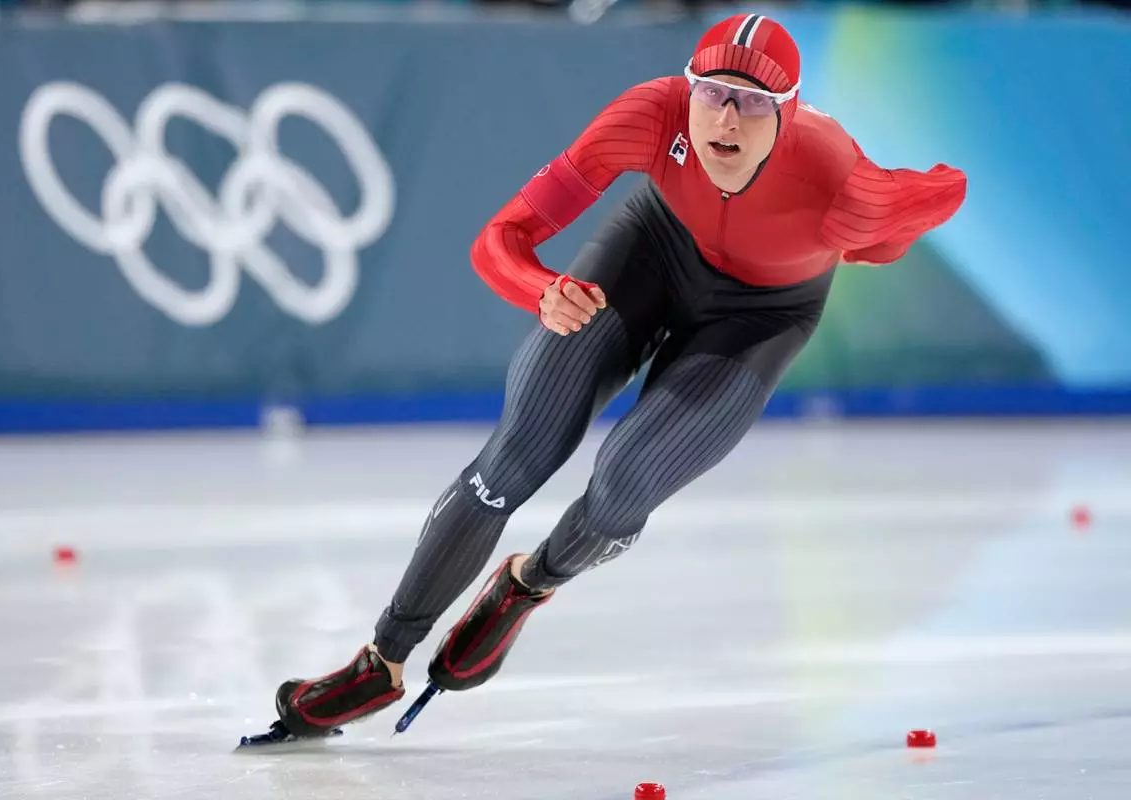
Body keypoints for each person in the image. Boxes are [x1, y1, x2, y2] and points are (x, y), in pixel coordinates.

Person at [268, 12, 967, 738]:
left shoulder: (838, 179)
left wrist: (881, 240)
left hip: (763, 314)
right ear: (687, 89)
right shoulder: (650, 113)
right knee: (515, 455)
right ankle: (380, 659)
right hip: (654, 251)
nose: (726, 119)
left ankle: (529, 583)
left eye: (754, 102)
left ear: (787, 116)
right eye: (713, 93)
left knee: (623, 485)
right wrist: (541, 289)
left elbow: (941, 191)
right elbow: (499, 239)